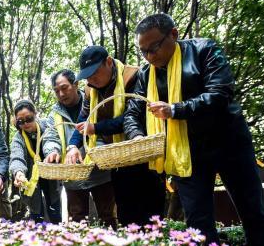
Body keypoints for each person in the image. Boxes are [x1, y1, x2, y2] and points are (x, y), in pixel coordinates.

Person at [123, 13, 264, 246]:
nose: (149, 56)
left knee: (251, 208)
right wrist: (138, 135)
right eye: (143, 51)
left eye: (154, 47)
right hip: (186, 152)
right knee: (196, 220)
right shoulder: (145, 75)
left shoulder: (204, 50)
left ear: (173, 34)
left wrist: (175, 109)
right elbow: (132, 112)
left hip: (228, 142)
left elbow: (220, 93)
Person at [65, 46, 165, 226]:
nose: (91, 80)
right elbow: (83, 119)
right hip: (118, 160)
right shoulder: (90, 89)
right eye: (87, 76)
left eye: (94, 73)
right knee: (126, 212)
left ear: (109, 62)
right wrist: (73, 146)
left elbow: (132, 116)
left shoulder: (133, 76)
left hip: (143, 152)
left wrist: (96, 128)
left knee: (151, 214)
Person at [48, 69, 117, 227]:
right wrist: (53, 151)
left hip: (100, 171)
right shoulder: (55, 114)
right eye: (56, 91)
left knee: (108, 216)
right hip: (73, 175)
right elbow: (51, 138)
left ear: (75, 84)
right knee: (77, 219)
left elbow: (103, 131)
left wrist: (93, 155)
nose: (61, 94)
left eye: (64, 88)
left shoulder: (93, 102)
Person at [9, 99, 62, 223]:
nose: (26, 124)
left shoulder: (46, 126)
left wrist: (53, 153)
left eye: (29, 119)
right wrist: (18, 172)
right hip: (31, 180)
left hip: (51, 175)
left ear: (35, 114)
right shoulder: (18, 137)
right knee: (36, 214)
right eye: (21, 121)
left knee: (55, 210)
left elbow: (52, 141)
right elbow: (17, 156)